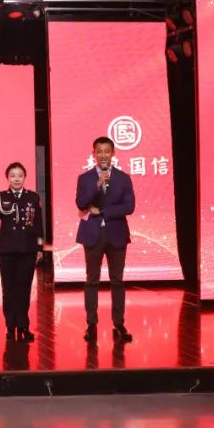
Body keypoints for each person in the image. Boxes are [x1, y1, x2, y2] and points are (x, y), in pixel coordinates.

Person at [76, 136, 136, 343]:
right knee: (92, 280)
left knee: (117, 280)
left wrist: (103, 211)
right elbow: (81, 203)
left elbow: (129, 206)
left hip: (117, 233)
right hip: (92, 234)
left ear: (113, 153)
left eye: (107, 151)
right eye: (99, 151)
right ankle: (91, 324)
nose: (103, 155)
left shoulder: (123, 178)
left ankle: (119, 323)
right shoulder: (85, 178)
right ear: (93, 154)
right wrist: (97, 185)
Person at [0, 162, 44, 342]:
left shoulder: (33, 197)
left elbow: (38, 224)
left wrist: (39, 247)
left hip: (28, 249)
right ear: (8, 178)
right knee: (8, 289)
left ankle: (23, 326)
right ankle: (10, 326)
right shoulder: (0, 197)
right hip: (7, 250)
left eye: (20, 175)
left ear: (24, 177)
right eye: (13, 175)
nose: (16, 179)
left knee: (24, 288)